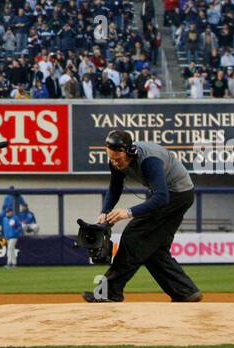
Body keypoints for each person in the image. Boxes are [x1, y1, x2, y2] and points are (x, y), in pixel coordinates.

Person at [83, 129, 203, 304]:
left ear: (130, 152)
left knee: (134, 236)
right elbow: (115, 187)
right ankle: (185, 292)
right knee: (153, 248)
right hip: (168, 196)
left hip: (178, 195)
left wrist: (128, 212)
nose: (115, 163)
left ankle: (110, 292)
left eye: (118, 159)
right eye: (111, 158)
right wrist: (105, 211)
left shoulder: (149, 160)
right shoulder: (115, 161)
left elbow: (162, 197)